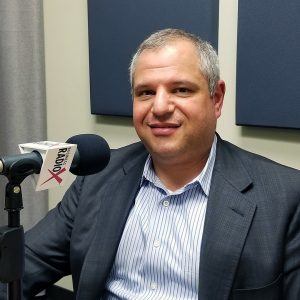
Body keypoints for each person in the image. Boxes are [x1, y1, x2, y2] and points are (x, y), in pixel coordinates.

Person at [1, 28, 300, 300]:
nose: (159, 107)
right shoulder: (98, 177)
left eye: (181, 89)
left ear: (216, 98)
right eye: (145, 92)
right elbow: (20, 267)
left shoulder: (285, 197)